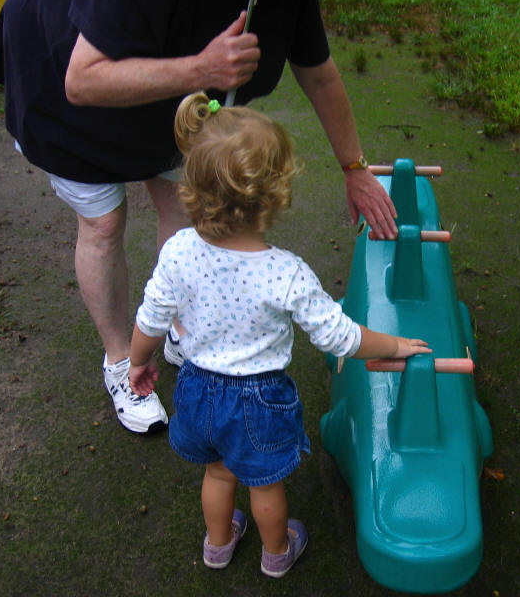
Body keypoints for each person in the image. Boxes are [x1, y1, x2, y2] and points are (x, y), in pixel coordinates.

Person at [0, 0, 399, 435]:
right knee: (103, 223)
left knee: (179, 204)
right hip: (69, 80)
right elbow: (82, 79)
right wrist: (202, 68)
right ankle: (121, 363)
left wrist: (355, 168)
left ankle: (183, 331)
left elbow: (318, 73)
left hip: (173, 98)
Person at [128, 92, 430, 577]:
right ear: (273, 197)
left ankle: (217, 546)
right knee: (264, 483)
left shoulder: (178, 250)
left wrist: (137, 361)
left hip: (197, 390)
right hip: (259, 400)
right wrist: (394, 344)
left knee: (218, 473)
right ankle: (276, 553)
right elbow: (340, 337)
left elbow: (151, 319)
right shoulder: (285, 272)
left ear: (193, 187)